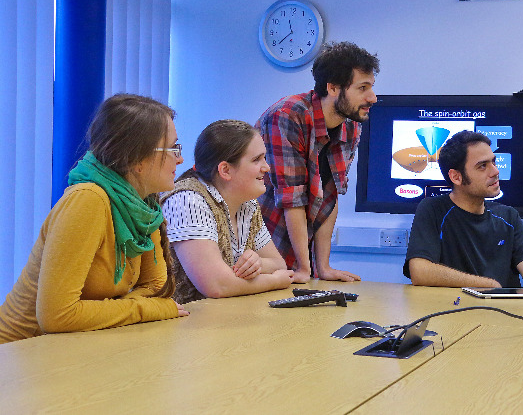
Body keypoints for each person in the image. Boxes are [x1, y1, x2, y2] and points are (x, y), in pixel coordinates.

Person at [0, 94, 189, 344]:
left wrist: (129, 308)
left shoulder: (143, 202)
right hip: (21, 353)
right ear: (137, 159)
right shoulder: (88, 200)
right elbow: (57, 316)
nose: (181, 159)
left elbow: (156, 286)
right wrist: (148, 309)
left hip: (77, 347)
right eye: (172, 148)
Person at [404, 130, 523, 294]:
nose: (495, 171)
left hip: (508, 307)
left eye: (493, 162)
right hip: (461, 308)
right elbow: (420, 271)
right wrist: (489, 285)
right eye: (482, 166)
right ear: (456, 176)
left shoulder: (508, 216)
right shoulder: (433, 209)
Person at [256, 41, 379, 283]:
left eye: (372, 87)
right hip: (262, 246)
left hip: (301, 247)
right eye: (363, 87)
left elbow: (329, 196)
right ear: (332, 88)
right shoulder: (287, 115)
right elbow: (292, 199)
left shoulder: (351, 124)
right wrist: (304, 267)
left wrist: (322, 267)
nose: (372, 97)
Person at [160, 120, 295, 303]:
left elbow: (279, 264)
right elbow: (217, 285)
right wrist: (274, 281)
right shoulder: (188, 200)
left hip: (219, 321)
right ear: (225, 170)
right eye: (256, 159)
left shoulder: (248, 204)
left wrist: (258, 263)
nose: (266, 167)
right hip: (177, 326)